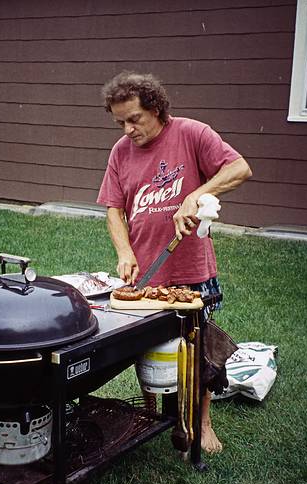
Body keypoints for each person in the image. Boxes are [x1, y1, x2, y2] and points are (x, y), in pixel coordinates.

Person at [96, 71, 252, 453]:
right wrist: (125, 252)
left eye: (134, 119)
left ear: (157, 108)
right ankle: (149, 415)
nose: (128, 129)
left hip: (190, 268)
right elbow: (114, 210)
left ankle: (202, 422)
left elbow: (239, 169)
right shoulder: (120, 151)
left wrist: (195, 195)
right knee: (142, 346)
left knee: (196, 348)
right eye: (120, 122)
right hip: (145, 270)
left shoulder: (191, 133)